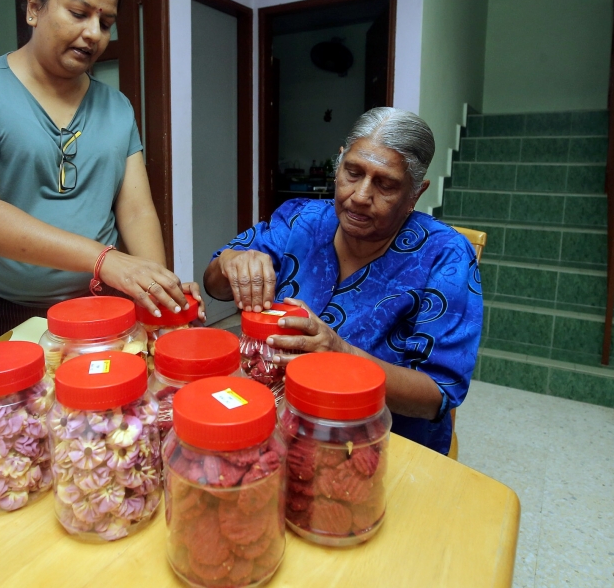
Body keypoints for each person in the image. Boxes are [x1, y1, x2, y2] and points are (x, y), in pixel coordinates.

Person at [0, 0, 202, 366]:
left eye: (106, 22)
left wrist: (155, 292)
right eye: (80, 13)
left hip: (98, 314)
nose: (95, 32)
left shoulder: (117, 106)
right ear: (34, 8)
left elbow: (136, 213)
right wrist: (105, 260)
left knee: (99, 427)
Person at [203, 108, 482, 454]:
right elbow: (214, 287)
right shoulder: (299, 220)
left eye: (386, 184)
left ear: (415, 193)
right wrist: (230, 261)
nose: (361, 195)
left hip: (379, 445)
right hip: (278, 427)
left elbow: (438, 395)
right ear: (339, 165)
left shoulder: (446, 256)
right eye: (353, 172)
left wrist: (341, 353)